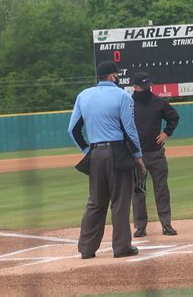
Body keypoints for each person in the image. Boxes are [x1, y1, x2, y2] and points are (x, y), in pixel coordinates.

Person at [68, 61, 146, 259]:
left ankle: (86, 249)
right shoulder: (122, 95)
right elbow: (130, 129)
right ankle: (121, 248)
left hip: (95, 154)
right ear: (113, 76)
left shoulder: (83, 95)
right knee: (119, 202)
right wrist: (138, 156)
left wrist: (87, 151)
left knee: (95, 202)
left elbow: (73, 130)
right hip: (117, 152)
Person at [131, 72, 180, 237]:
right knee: (138, 191)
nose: (147, 89)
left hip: (156, 153)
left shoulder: (158, 102)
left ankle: (166, 224)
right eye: (143, 87)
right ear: (135, 87)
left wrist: (166, 133)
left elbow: (173, 117)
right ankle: (140, 227)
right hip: (136, 155)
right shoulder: (128, 104)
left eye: (148, 86)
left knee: (161, 190)